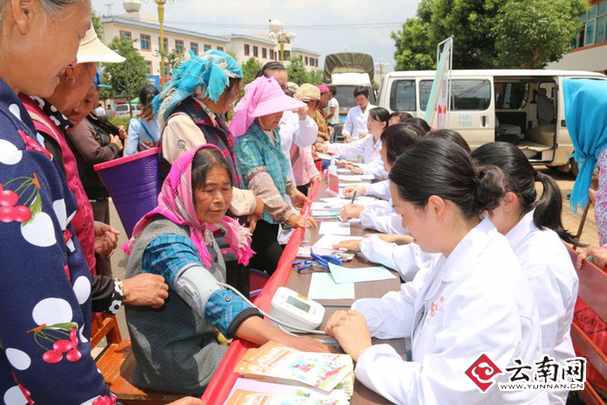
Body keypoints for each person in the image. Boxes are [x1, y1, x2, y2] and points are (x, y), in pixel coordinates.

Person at [326, 138, 546, 404]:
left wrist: (366, 354)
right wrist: (358, 317)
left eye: (403, 214)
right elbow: (415, 304)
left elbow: (442, 394)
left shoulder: (489, 288)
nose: (404, 227)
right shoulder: (457, 251)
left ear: (435, 207)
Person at [124, 144, 327, 395]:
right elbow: (213, 299)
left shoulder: (198, 228)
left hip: (202, 343)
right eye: (208, 190)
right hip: (179, 361)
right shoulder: (165, 243)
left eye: (226, 189)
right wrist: (290, 342)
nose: (220, 199)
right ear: (186, 190)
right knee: (279, 378)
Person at [0, 1, 117, 401]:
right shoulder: (7, 146)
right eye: (77, 32)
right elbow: (42, 334)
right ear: (24, 11)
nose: (73, 58)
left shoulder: (16, 118)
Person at [472, 142, 579, 405]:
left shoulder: (538, 265)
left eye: (478, 203)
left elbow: (526, 360)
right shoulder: (506, 235)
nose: (470, 213)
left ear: (509, 201)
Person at [155, 51, 263, 295]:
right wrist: (251, 202)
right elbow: (206, 184)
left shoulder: (212, 119)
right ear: (212, 87)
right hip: (198, 234)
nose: (235, 96)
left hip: (221, 227)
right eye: (231, 89)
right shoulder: (182, 123)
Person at [21, 24, 124, 276]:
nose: (84, 106)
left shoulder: (48, 123)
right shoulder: (38, 128)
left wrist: (85, 229)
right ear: (73, 71)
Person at [231, 76, 317, 274]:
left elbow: (281, 163)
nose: (278, 116)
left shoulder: (273, 131)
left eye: (280, 111)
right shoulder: (247, 141)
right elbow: (260, 182)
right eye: (272, 112)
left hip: (274, 212)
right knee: (278, 265)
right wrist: (288, 214)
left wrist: (291, 190)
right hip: (258, 216)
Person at [67, 83, 123, 276]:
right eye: (88, 97)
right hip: (90, 195)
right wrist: (114, 146)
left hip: (98, 193)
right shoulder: (78, 122)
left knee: (104, 246)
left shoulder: (90, 118)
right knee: (96, 252)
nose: (94, 100)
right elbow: (95, 155)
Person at [338, 124, 419, 235]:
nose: (380, 152)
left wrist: (363, 214)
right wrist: (364, 206)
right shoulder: (403, 177)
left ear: (395, 152)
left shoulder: (413, 183)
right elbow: (391, 206)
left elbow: (402, 225)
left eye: (383, 147)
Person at [319, 107, 390, 179]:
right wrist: (328, 147)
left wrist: (360, 168)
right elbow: (350, 148)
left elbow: (381, 169)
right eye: (368, 120)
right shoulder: (369, 139)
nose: (368, 123)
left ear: (383, 124)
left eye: (372, 120)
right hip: (368, 178)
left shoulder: (388, 143)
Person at [292, 84, 322, 195]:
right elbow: (304, 150)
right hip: (296, 178)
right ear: (312, 103)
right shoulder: (301, 120)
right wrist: (313, 173)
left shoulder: (288, 117)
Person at [124, 83, 160, 155]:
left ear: (140, 103)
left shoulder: (135, 124)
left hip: (148, 165)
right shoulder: (167, 119)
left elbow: (130, 153)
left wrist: (125, 140)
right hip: (168, 165)